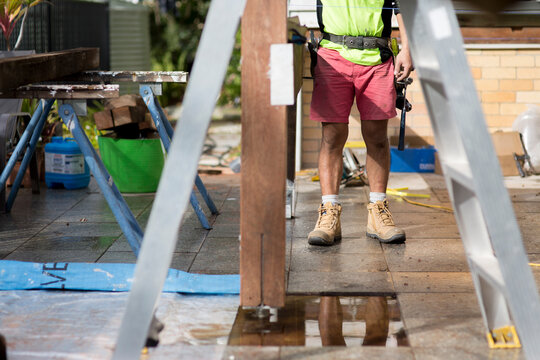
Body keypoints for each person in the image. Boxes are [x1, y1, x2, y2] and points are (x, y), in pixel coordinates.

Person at [307, 0, 413, 246]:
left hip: (377, 57)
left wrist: (407, 48)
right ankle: (328, 212)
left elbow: (403, 6)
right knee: (332, 135)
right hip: (332, 56)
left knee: (376, 136)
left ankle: (378, 212)